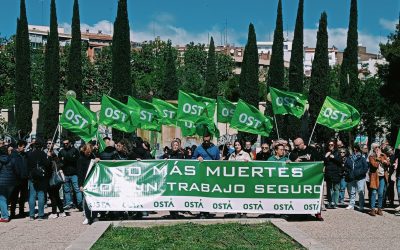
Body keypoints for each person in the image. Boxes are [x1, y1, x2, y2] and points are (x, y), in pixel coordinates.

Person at [192, 131, 220, 218]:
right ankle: (202, 211)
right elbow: (192, 159)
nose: (206, 139)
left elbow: (218, 161)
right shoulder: (198, 148)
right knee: (201, 192)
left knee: (209, 192)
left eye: (207, 137)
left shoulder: (215, 148)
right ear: (203, 138)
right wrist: (197, 158)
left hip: (211, 174)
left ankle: (207, 210)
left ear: (210, 138)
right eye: (205, 137)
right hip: (201, 174)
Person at [27, 140, 52, 220]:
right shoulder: (43, 154)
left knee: (32, 196)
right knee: (41, 195)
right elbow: (48, 164)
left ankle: (31, 215)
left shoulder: (30, 154)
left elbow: (27, 166)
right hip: (41, 177)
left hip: (32, 177)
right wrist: (49, 157)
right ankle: (41, 215)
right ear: (41, 147)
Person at [0, 145, 24, 222]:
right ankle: (5, 213)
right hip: (11, 182)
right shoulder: (12, 159)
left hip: (1, 181)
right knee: (6, 198)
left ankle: (5, 216)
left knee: (2, 198)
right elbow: (17, 171)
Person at [78, 143, 99, 224]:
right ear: (84, 150)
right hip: (85, 181)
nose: (89, 153)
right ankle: (87, 217)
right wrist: (80, 185)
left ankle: (94, 216)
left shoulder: (93, 157)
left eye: (90, 152)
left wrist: (96, 159)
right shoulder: (80, 159)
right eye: (87, 152)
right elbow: (79, 173)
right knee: (86, 201)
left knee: (94, 199)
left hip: (93, 181)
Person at [58, 138, 82, 211]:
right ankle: (68, 204)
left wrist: (66, 159)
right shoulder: (61, 151)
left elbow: (77, 161)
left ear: (70, 143)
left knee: (77, 189)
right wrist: (64, 162)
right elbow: (59, 161)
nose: (65, 145)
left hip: (74, 173)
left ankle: (80, 204)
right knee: (66, 190)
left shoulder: (75, 150)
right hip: (65, 173)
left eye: (67, 143)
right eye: (64, 143)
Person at [344, 144, 369, 212]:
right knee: (352, 191)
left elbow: (366, 167)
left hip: (360, 177)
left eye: (352, 149)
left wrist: (360, 173)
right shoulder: (349, 158)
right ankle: (351, 204)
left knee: (360, 191)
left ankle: (361, 205)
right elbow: (346, 166)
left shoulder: (362, 158)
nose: (350, 151)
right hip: (352, 177)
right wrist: (349, 172)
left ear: (355, 149)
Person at [368, 144, 390, 216]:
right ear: (373, 149)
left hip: (382, 177)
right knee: (374, 193)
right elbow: (374, 165)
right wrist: (378, 157)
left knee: (381, 193)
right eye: (375, 147)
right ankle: (372, 209)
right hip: (374, 177)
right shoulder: (371, 156)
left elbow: (388, 163)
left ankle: (379, 209)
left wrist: (386, 162)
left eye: (378, 147)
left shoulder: (383, 155)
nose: (377, 148)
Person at [9, 140, 29, 218]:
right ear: (19, 146)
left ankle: (21, 212)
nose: (24, 149)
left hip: (24, 178)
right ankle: (12, 213)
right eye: (23, 147)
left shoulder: (25, 155)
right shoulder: (13, 155)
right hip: (15, 179)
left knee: (23, 196)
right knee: (14, 197)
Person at [324, 140, 341, 209]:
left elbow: (340, 161)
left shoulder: (337, 152)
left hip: (336, 173)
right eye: (329, 145)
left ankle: (335, 203)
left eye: (332, 145)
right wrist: (325, 156)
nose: (330, 146)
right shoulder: (326, 152)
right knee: (329, 189)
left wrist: (334, 158)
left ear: (334, 145)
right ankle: (330, 202)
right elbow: (323, 162)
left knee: (336, 188)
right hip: (328, 173)